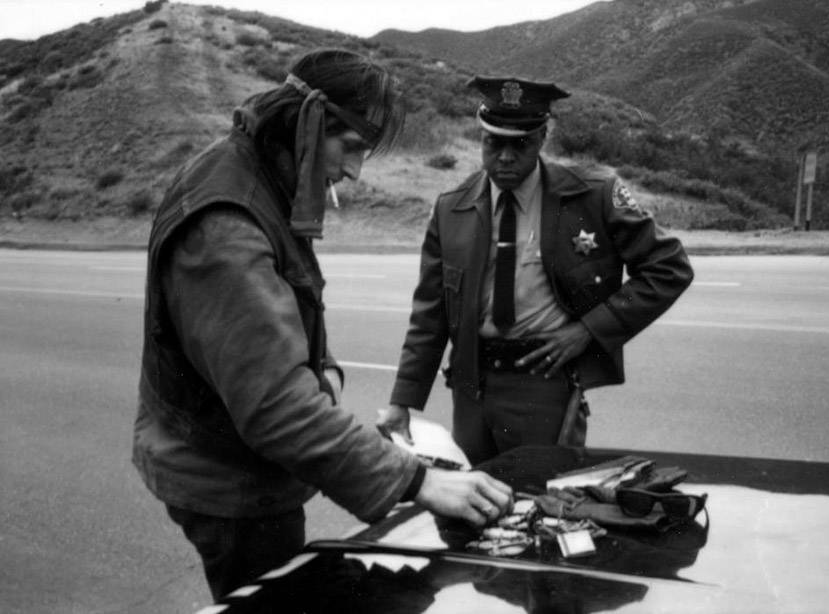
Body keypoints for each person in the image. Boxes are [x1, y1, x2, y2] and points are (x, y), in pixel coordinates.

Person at [131, 49, 512, 601]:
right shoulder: (227, 227)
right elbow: (276, 408)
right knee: (281, 602)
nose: (354, 170)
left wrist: (325, 381)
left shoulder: (259, 172)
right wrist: (420, 482)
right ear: (307, 124)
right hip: (229, 483)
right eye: (351, 147)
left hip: (243, 462)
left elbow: (285, 331)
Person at [378, 76, 694, 466]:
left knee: (543, 502)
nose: (506, 157)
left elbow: (669, 268)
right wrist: (402, 401)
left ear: (542, 138)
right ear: (480, 139)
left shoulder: (591, 195)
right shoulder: (451, 209)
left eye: (521, 144)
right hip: (471, 389)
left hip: (544, 384)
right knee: (476, 501)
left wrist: (589, 330)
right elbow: (430, 313)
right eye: (494, 142)